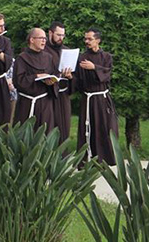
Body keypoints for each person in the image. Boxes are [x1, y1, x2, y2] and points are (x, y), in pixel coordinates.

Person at [75, 28, 118, 165]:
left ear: (97, 40)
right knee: (86, 128)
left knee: (104, 127)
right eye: (85, 39)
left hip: (101, 98)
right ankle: (86, 158)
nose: (86, 41)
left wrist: (94, 67)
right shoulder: (81, 57)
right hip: (87, 98)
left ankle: (104, 159)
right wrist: (71, 76)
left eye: (89, 39)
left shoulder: (106, 57)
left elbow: (107, 74)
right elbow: (78, 80)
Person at [13, 28, 60, 131]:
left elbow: (55, 75)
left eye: (45, 38)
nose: (44, 40)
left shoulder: (48, 57)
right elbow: (18, 81)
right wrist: (36, 76)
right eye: (41, 38)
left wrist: (51, 82)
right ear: (32, 40)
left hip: (45, 103)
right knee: (25, 135)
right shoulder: (22, 58)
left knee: (45, 133)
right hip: (27, 103)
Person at [46, 21, 74, 144]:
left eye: (63, 36)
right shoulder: (43, 50)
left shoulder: (66, 51)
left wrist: (70, 76)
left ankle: (62, 159)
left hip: (63, 95)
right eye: (58, 35)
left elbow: (73, 76)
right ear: (50, 33)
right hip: (48, 95)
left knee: (64, 127)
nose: (61, 38)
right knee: (49, 127)